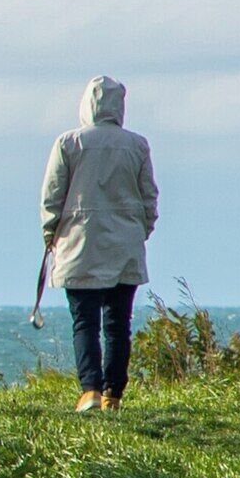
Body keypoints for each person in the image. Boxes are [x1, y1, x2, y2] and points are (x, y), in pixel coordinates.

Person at [39, 75, 157, 410]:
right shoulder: (137, 145)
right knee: (119, 324)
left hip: (79, 244)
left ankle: (89, 389)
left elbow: (52, 198)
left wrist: (51, 236)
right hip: (125, 245)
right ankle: (113, 395)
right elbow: (150, 197)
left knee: (85, 322)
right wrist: (141, 230)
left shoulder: (68, 143)